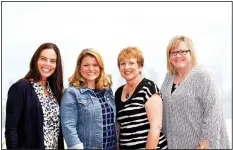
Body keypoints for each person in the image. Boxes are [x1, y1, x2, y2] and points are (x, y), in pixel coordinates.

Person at [160, 35, 230, 149]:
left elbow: (213, 112)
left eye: (182, 51)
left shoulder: (203, 76)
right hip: (174, 143)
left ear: (191, 53)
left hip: (201, 145)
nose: (178, 55)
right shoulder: (169, 77)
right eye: (173, 52)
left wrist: (204, 144)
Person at [5, 43, 64, 149]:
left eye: (52, 61)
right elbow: (11, 129)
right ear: (36, 60)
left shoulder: (55, 91)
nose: (48, 64)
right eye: (43, 59)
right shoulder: (20, 88)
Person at [61, 48, 117, 149]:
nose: (91, 69)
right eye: (86, 65)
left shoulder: (107, 90)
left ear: (100, 68)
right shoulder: (72, 93)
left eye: (95, 65)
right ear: (79, 67)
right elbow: (68, 127)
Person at [115, 46, 168, 149]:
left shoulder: (149, 88)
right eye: (122, 64)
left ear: (140, 67)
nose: (126, 67)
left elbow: (156, 128)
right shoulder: (118, 92)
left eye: (131, 63)